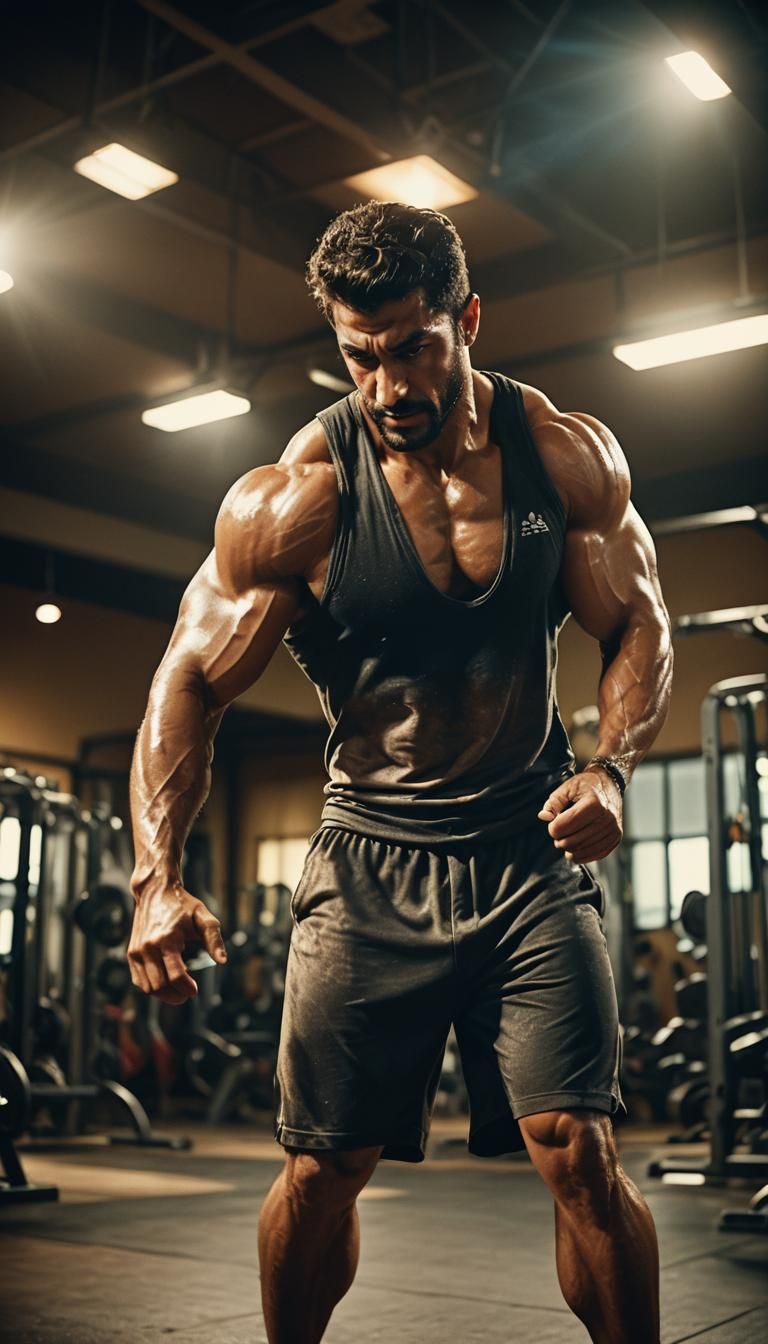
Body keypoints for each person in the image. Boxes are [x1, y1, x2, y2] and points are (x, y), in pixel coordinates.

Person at [128, 202, 672, 1344]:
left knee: (581, 1149)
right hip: (370, 867)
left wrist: (613, 768)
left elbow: (640, 624)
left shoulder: (564, 455)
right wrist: (154, 880)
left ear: (466, 319)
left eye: (413, 345)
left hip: (529, 856)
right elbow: (186, 681)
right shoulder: (295, 502)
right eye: (359, 355)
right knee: (326, 1169)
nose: (387, 385)